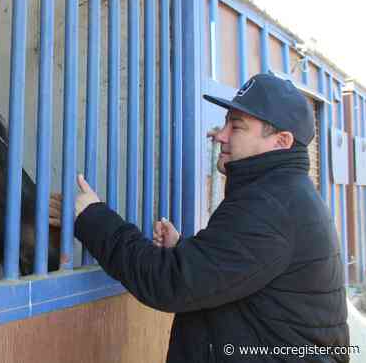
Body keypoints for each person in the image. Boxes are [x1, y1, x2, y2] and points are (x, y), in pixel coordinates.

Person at [52, 73, 350, 362]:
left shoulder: (269, 205)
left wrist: (92, 217)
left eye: (237, 126)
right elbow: (243, 273)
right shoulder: (284, 194)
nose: (220, 135)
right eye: (225, 123)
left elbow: (168, 283)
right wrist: (185, 249)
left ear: (281, 141)